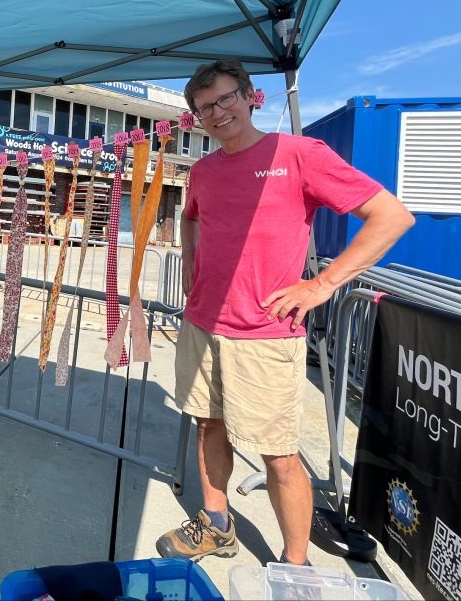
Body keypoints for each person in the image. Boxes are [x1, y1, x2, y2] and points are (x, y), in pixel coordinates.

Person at [156, 60, 414, 566]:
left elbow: (391, 216)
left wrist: (322, 284)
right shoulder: (203, 172)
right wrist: (191, 267)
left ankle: (295, 567)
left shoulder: (297, 154)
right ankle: (216, 524)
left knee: (278, 453)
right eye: (205, 107)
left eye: (226, 98)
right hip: (203, 323)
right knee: (209, 426)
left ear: (252, 97)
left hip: (265, 334)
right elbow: (190, 221)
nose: (217, 112)